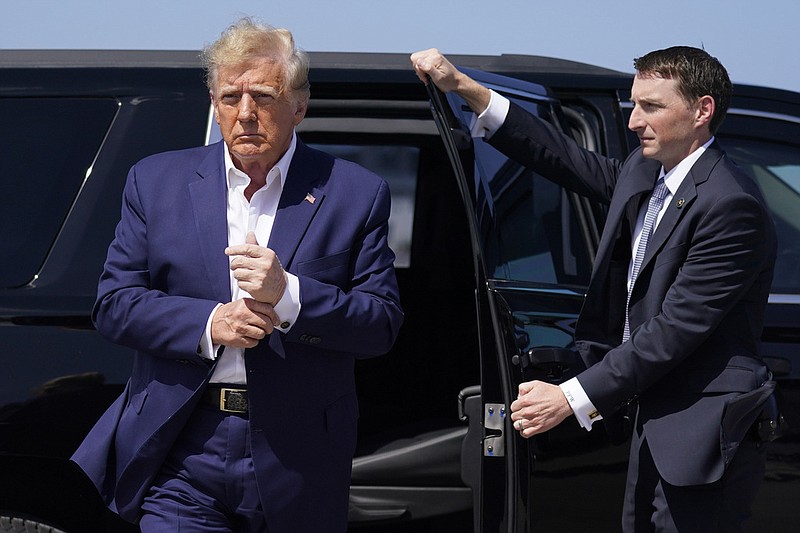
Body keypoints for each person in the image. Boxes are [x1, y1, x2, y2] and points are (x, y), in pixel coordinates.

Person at [412, 47, 776, 532]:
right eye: (633, 105)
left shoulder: (732, 205)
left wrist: (570, 397)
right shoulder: (648, 172)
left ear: (701, 111)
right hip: (653, 422)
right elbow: (566, 159)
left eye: (652, 106)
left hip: (701, 435)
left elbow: (674, 330)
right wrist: (465, 89)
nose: (633, 121)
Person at [71, 18, 403, 532]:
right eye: (231, 97)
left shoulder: (355, 192)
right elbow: (115, 304)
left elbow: (380, 324)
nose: (245, 113)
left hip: (297, 453)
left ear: (299, 104)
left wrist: (288, 295)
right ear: (213, 101)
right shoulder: (156, 181)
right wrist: (210, 324)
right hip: (182, 446)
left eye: (264, 96)